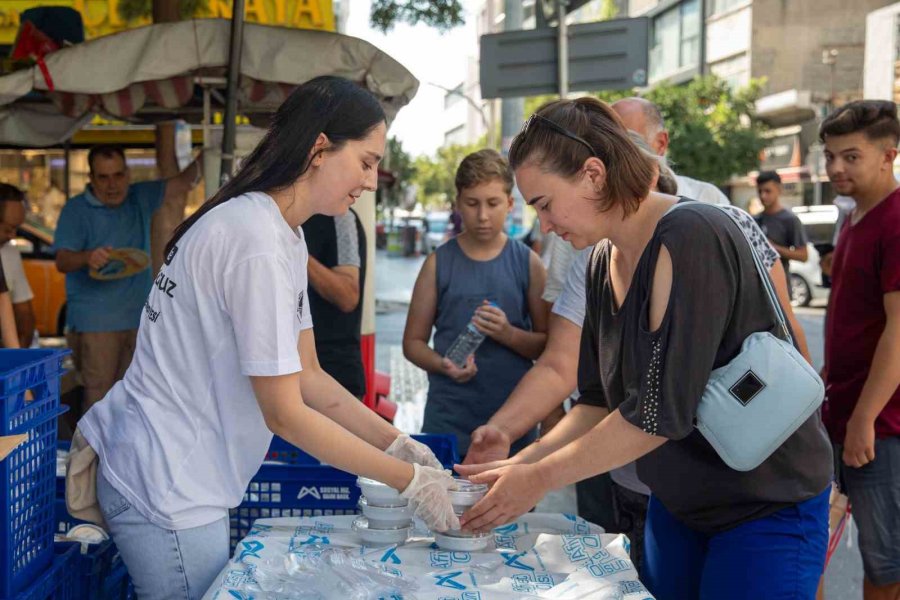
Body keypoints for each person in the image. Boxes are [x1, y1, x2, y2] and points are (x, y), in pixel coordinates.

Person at [69, 77, 459, 600]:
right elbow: (286, 415)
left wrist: (398, 443)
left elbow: (310, 376)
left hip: (173, 471)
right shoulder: (255, 240)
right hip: (167, 482)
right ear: (320, 148)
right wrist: (406, 481)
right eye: (366, 162)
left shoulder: (283, 234)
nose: (371, 181)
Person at [456, 98, 833, 600]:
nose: (543, 225)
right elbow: (596, 401)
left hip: (766, 505)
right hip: (678, 506)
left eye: (544, 204)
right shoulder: (599, 261)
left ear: (593, 175)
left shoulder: (693, 234)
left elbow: (659, 415)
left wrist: (539, 477)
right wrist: (520, 465)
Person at [403, 149, 548, 457]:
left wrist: (508, 334)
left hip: (513, 420)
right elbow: (412, 343)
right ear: (458, 203)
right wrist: (443, 365)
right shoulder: (437, 263)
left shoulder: (529, 264)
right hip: (448, 417)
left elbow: (548, 347)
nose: (482, 216)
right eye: (472, 203)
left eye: (493, 203)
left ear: (510, 204)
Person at [819, 100, 900, 600]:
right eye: (830, 156)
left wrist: (865, 418)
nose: (835, 168)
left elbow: (899, 331)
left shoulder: (895, 220)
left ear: (888, 155)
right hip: (843, 411)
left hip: (883, 425)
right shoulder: (853, 217)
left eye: (851, 156)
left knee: (885, 561)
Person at [54, 144, 202, 412]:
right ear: (91, 178)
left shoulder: (140, 196)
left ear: (128, 174)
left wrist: (212, 151)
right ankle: (89, 442)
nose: (112, 185)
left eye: (118, 175)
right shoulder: (75, 209)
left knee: (137, 396)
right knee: (99, 399)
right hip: (96, 323)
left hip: (140, 319)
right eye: (103, 177)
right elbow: (62, 261)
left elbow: (185, 181)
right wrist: (87, 257)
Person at [611, 97, 730, 205]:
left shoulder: (709, 199)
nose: (612, 156)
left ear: (661, 143)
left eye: (627, 145)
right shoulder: (603, 208)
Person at [302, 209, 367, 398]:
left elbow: (348, 296)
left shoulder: (341, 216)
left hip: (334, 372)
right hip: (290, 370)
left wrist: (295, 249)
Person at [754, 170, 809, 293]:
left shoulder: (790, 220)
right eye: (760, 191)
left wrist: (772, 248)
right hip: (757, 288)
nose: (763, 196)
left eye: (767, 191)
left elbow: (803, 255)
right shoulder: (754, 220)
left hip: (780, 288)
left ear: (779, 189)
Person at [0, 183, 35, 347]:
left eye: (17, 229)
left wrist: (17, 356)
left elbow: (24, 317)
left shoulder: (9, 254)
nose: (12, 236)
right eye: (8, 229)